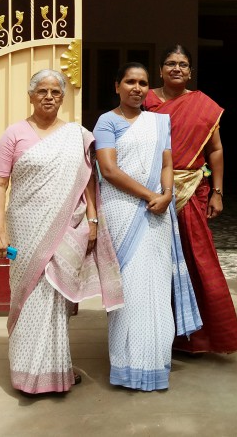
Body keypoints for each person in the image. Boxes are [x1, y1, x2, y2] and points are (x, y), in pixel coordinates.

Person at [0, 69, 123, 395]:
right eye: (42, 91)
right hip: (24, 227)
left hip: (66, 226)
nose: (49, 97)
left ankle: (55, 370)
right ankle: (26, 374)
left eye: (56, 92)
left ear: (63, 97)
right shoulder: (14, 134)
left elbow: (88, 181)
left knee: (55, 297)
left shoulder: (76, 135)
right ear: (31, 95)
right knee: (29, 294)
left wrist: (93, 220)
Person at [93, 62, 201, 391]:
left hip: (157, 213)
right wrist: (152, 195)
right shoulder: (106, 122)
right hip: (123, 212)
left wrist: (167, 194)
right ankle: (128, 365)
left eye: (142, 83)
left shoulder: (158, 122)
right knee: (129, 290)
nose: (137, 88)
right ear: (117, 86)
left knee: (155, 289)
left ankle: (154, 364)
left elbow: (168, 163)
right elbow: (109, 170)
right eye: (130, 82)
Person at [143, 44, 237, 355]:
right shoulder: (144, 102)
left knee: (195, 261)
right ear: (160, 70)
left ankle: (198, 339)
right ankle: (153, 335)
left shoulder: (203, 105)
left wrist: (217, 191)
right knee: (150, 266)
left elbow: (215, 150)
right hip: (148, 192)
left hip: (189, 191)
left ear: (190, 71)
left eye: (183, 64)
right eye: (170, 63)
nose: (177, 68)